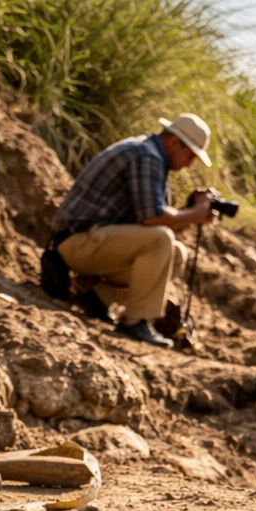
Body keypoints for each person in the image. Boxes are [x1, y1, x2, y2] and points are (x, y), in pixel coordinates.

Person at [51, 114, 218, 348]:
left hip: (92, 241)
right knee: (162, 240)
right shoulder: (146, 156)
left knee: (176, 255)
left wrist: (190, 212)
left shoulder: (152, 157)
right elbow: (153, 219)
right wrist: (194, 213)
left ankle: (99, 297)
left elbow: (155, 222)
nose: (189, 164)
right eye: (190, 155)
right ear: (174, 142)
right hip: (77, 242)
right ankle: (134, 321)